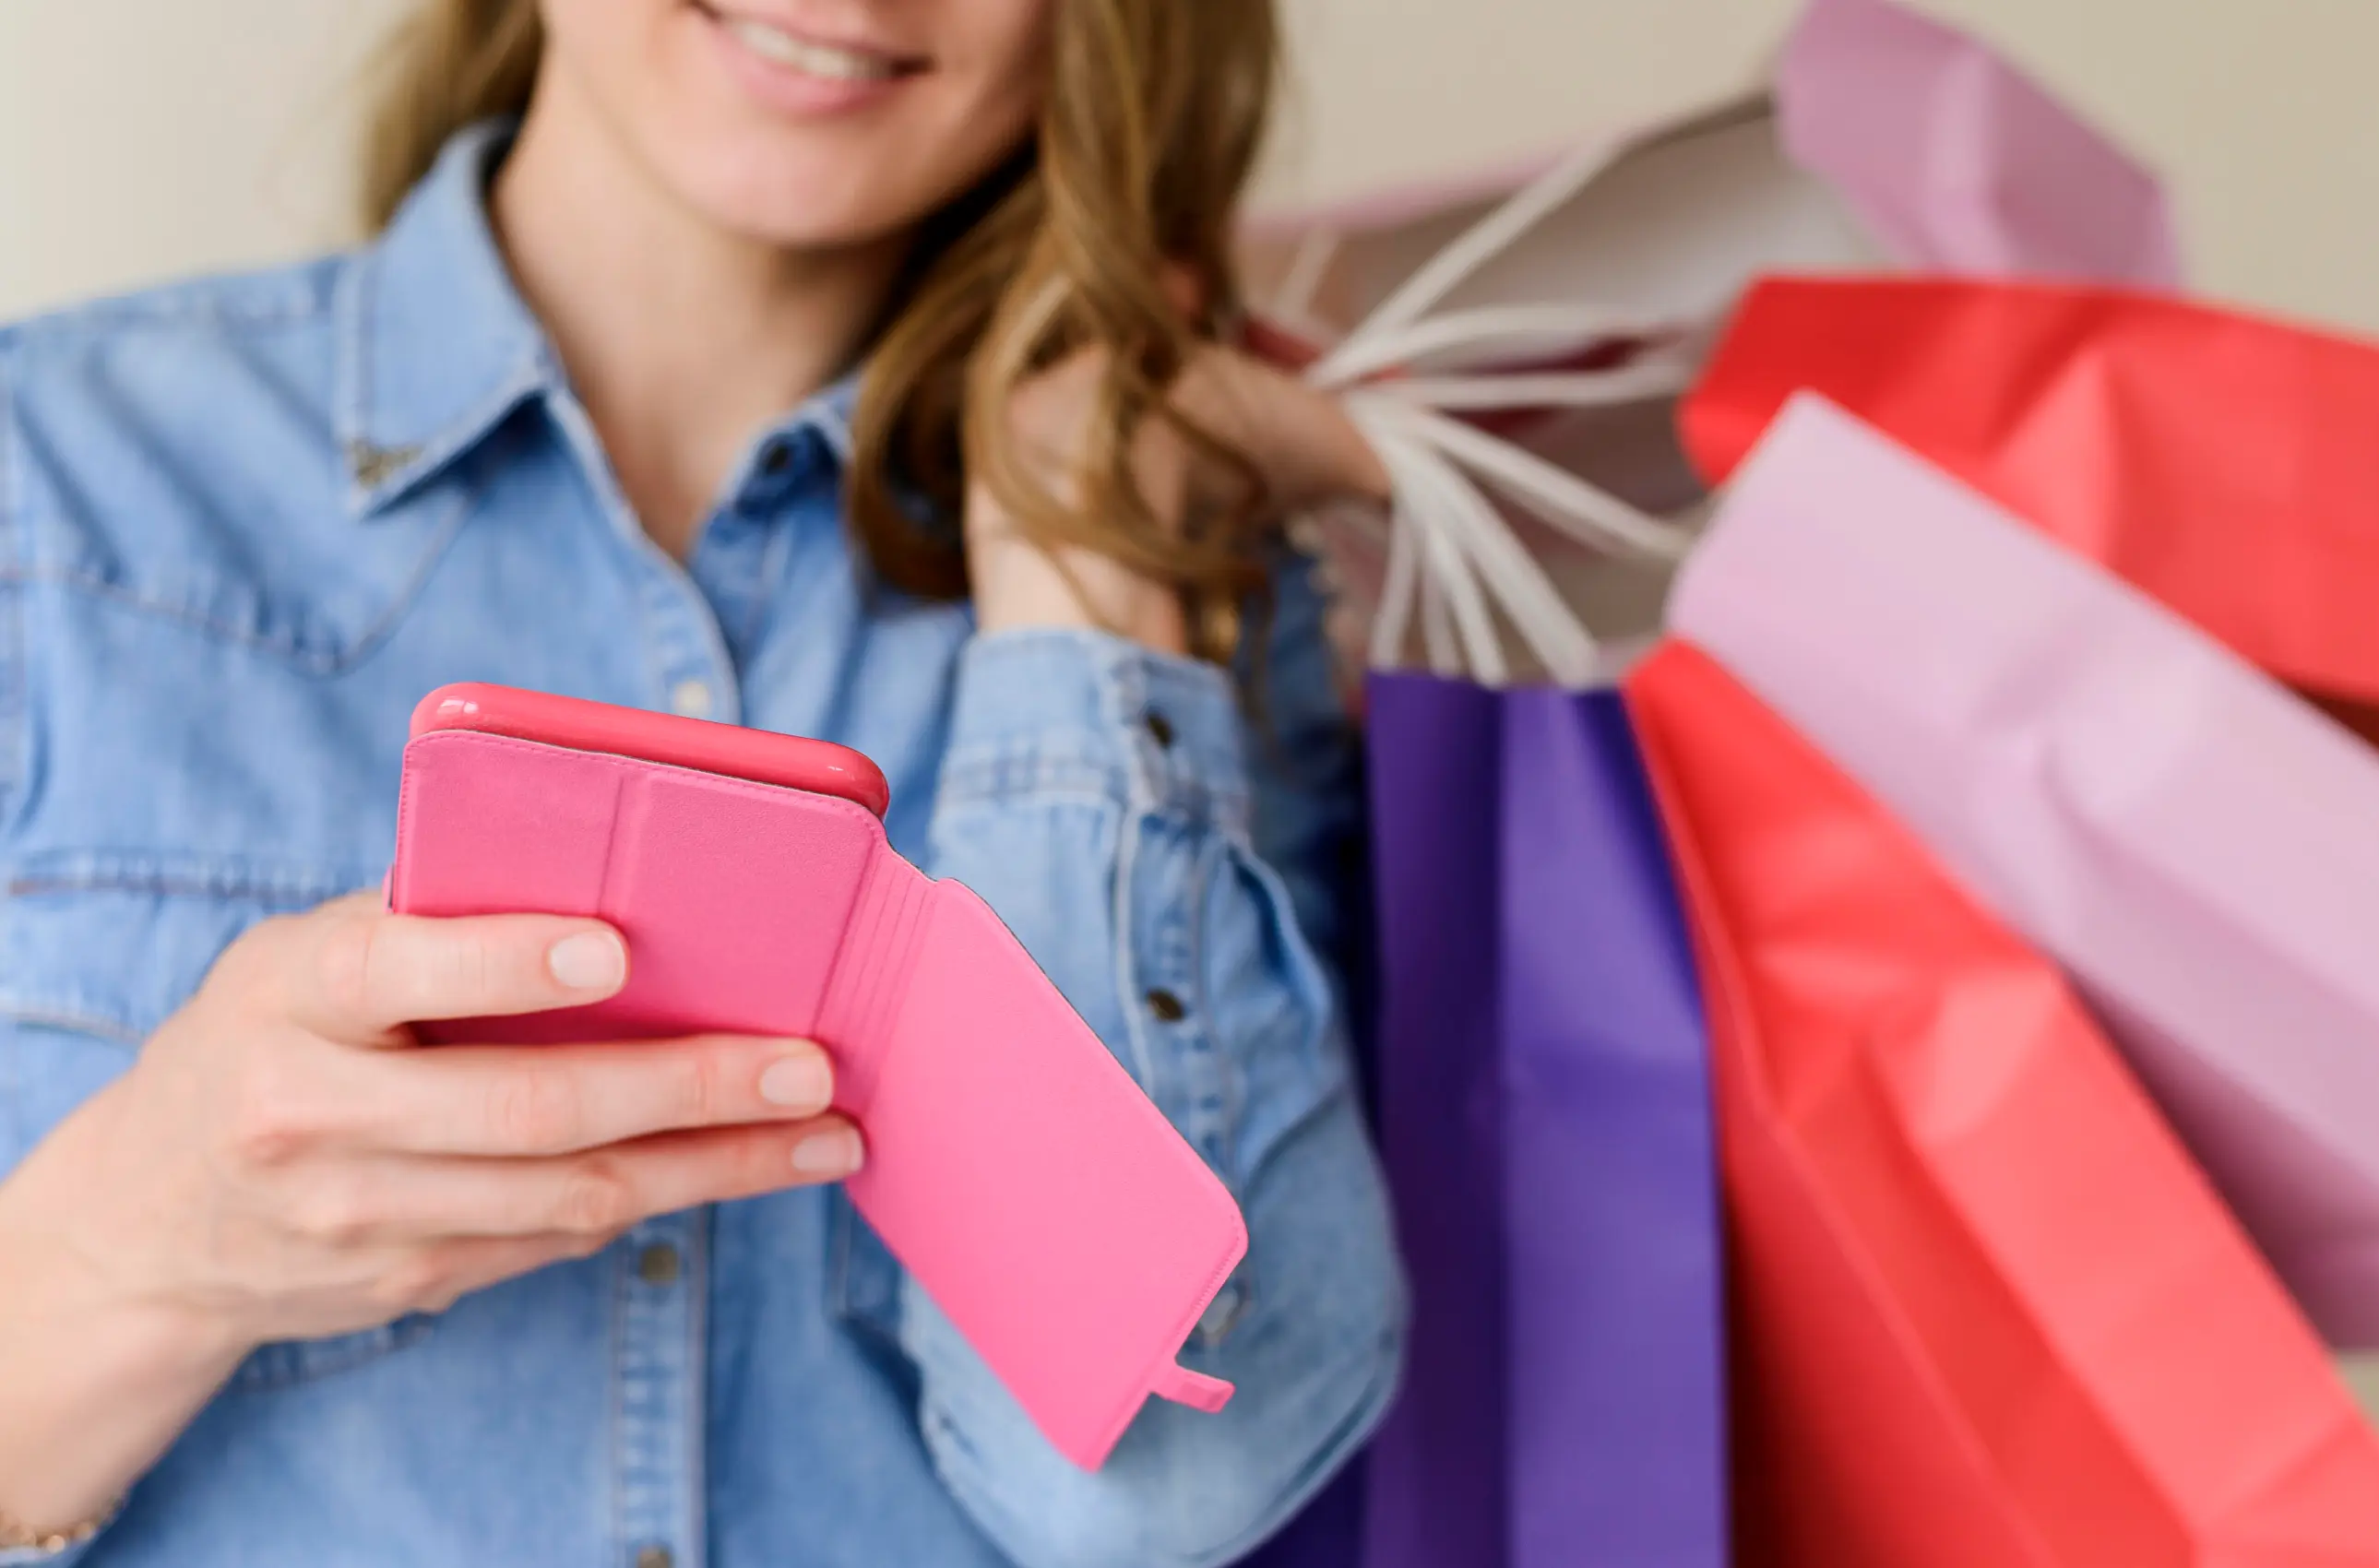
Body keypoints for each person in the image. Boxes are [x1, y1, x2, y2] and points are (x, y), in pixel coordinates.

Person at [0, 0, 1404, 1562]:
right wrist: (141, 1243)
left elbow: (1152, 1490)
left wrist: (1080, 570)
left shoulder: (1184, 626)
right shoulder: (40, 494)